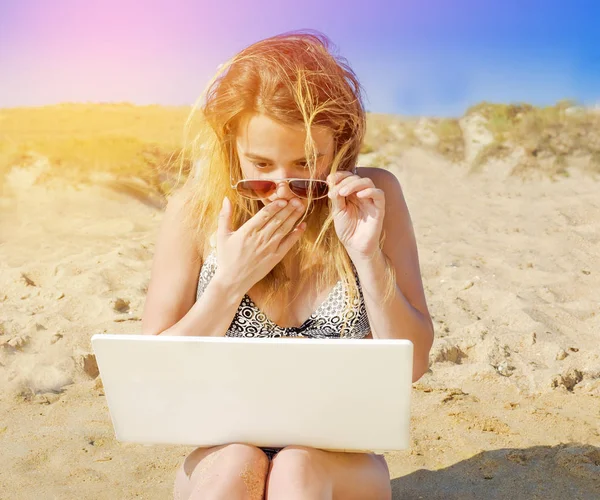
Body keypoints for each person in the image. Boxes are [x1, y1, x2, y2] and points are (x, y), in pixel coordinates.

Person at [141, 29, 434, 500]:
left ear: (340, 146)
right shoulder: (193, 209)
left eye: (305, 166)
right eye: (260, 165)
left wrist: (368, 258)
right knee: (237, 464)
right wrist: (228, 284)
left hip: (337, 459)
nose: (280, 189)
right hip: (222, 452)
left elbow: (414, 363)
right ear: (230, 144)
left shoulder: (376, 195)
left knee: (296, 469)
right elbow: (151, 370)